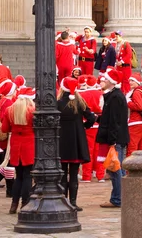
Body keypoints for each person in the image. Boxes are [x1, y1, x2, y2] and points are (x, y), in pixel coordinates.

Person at [57, 77, 96, 211]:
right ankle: (73, 202)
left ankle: (63, 201)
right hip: (76, 140)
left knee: (62, 173)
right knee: (74, 173)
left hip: (62, 141)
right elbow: (91, 117)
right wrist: (84, 125)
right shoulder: (79, 101)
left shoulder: (58, 102)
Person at [96, 68, 129, 208]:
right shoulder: (113, 95)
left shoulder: (115, 97)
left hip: (116, 138)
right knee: (114, 168)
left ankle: (118, 198)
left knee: (115, 168)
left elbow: (114, 120)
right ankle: (117, 197)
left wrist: (112, 140)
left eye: (105, 79)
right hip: (115, 137)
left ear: (111, 81)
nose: (102, 80)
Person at [1, 95, 35, 214]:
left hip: (16, 144)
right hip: (29, 144)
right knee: (27, 176)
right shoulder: (32, 111)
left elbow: (4, 129)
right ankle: (25, 203)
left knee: (18, 176)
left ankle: (14, 204)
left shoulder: (9, 110)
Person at [78, 75, 106, 183]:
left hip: (87, 124)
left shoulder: (81, 94)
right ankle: (100, 175)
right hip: (99, 124)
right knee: (99, 151)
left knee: (87, 151)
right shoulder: (101, 94)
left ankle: (86, 176)